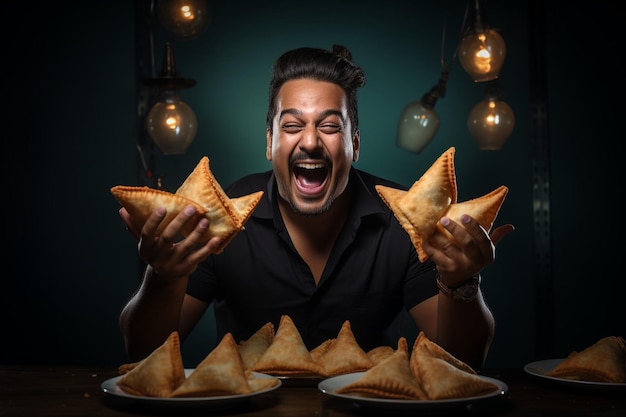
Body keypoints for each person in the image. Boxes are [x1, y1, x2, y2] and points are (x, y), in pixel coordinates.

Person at [118, 44, 514, 371]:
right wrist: (163, 277)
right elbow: (142, 354)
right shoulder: (219, 220)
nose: (309, 142)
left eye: (329, 126)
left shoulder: (406, 222)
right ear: (270, 142)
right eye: (291, 126)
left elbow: (462, 363)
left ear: (355, 144)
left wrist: (462, 283)